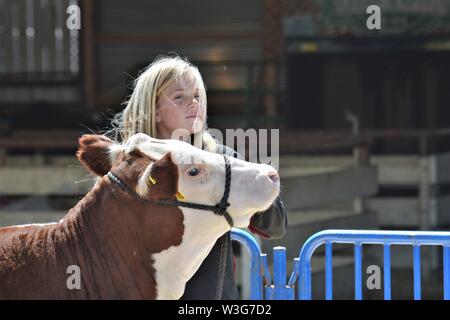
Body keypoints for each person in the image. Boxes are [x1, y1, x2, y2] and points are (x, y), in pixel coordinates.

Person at [109, 55, 287, 299]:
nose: (193, 104)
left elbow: (276, 224)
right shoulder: (128, 170)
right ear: (154, 110)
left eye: (197, 96)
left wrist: (247, 191)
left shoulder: (221, 159)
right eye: (179, 97)